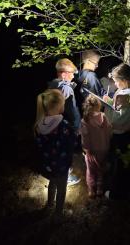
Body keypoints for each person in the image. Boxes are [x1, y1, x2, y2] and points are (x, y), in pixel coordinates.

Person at [103, 63, 130, 199]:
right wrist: (111, 102)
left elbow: (116, 120)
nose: (114, 84)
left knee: (118, 164)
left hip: (120, 134)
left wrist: (107, 106)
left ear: (124, 80)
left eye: (116, 81)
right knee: (127, 161)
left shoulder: (123, 95)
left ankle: (116, 193)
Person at [34, 89, 76, 220]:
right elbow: (71, 143)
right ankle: (58, 214)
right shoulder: (64, 125)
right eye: (63, 104)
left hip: (48, 165)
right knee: (62, 189)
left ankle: (49, 205)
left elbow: (40, 146)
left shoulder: (39, 124)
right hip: (61, 165)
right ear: (59, 107)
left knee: (52, 182)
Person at [48, 58, 81, 186]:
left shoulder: (53, 84)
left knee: (59, 151)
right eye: (71, 73)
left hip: (59, 127)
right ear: (63, 74)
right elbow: (60, 110)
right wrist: (72, 125)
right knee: (65, 151)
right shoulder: (65, 88)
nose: (73, 75)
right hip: (67, 127)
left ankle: (61, 171)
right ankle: (64, 177)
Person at [80, 95, 112, 198]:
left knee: (91, 170)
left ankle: (91, 189)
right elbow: (109, 132)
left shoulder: (85, 120)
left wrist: (86, 149)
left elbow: (85, 137)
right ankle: (99, 188)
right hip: (104, 148)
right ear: (99, 106)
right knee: (100, 169)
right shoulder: (104, 116)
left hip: (91, 150)